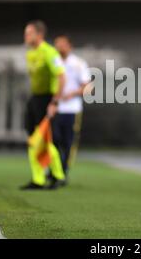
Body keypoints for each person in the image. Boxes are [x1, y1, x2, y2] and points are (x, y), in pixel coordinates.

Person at [21, 20, 66, 190]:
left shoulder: (50, 52)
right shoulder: (30, 53)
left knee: (46, 139)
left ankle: (57, 175)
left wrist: (54, 102)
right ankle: (38, 179)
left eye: (29, 33)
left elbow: (62, 77)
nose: (26, 36)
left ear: (39, 35)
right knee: (32, 139)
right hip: (35, 98)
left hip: (47, 99)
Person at [53, 35, 91, 181]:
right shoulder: (53, 62)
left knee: (68, 142)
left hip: (72, 109)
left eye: (63, 44)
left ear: (70, 46)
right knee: (53, 140)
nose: (60, 47)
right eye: (57, 44)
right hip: (55, 108)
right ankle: (54, 170)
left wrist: (73, 93)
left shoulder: (79, 64)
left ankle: (63, 172)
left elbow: (88, 87)